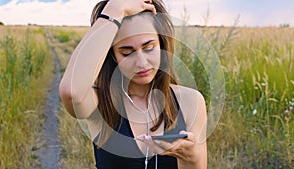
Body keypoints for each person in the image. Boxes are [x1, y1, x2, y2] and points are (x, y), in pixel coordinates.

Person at [59, 0, 207, 168]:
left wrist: (189, 157)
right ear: (113, 56)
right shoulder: (99, 103)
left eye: (149, 47)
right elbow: (71, 92)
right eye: (127, 53)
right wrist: (114, 9)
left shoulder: (191, 102)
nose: (142, 63)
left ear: (162, 44)